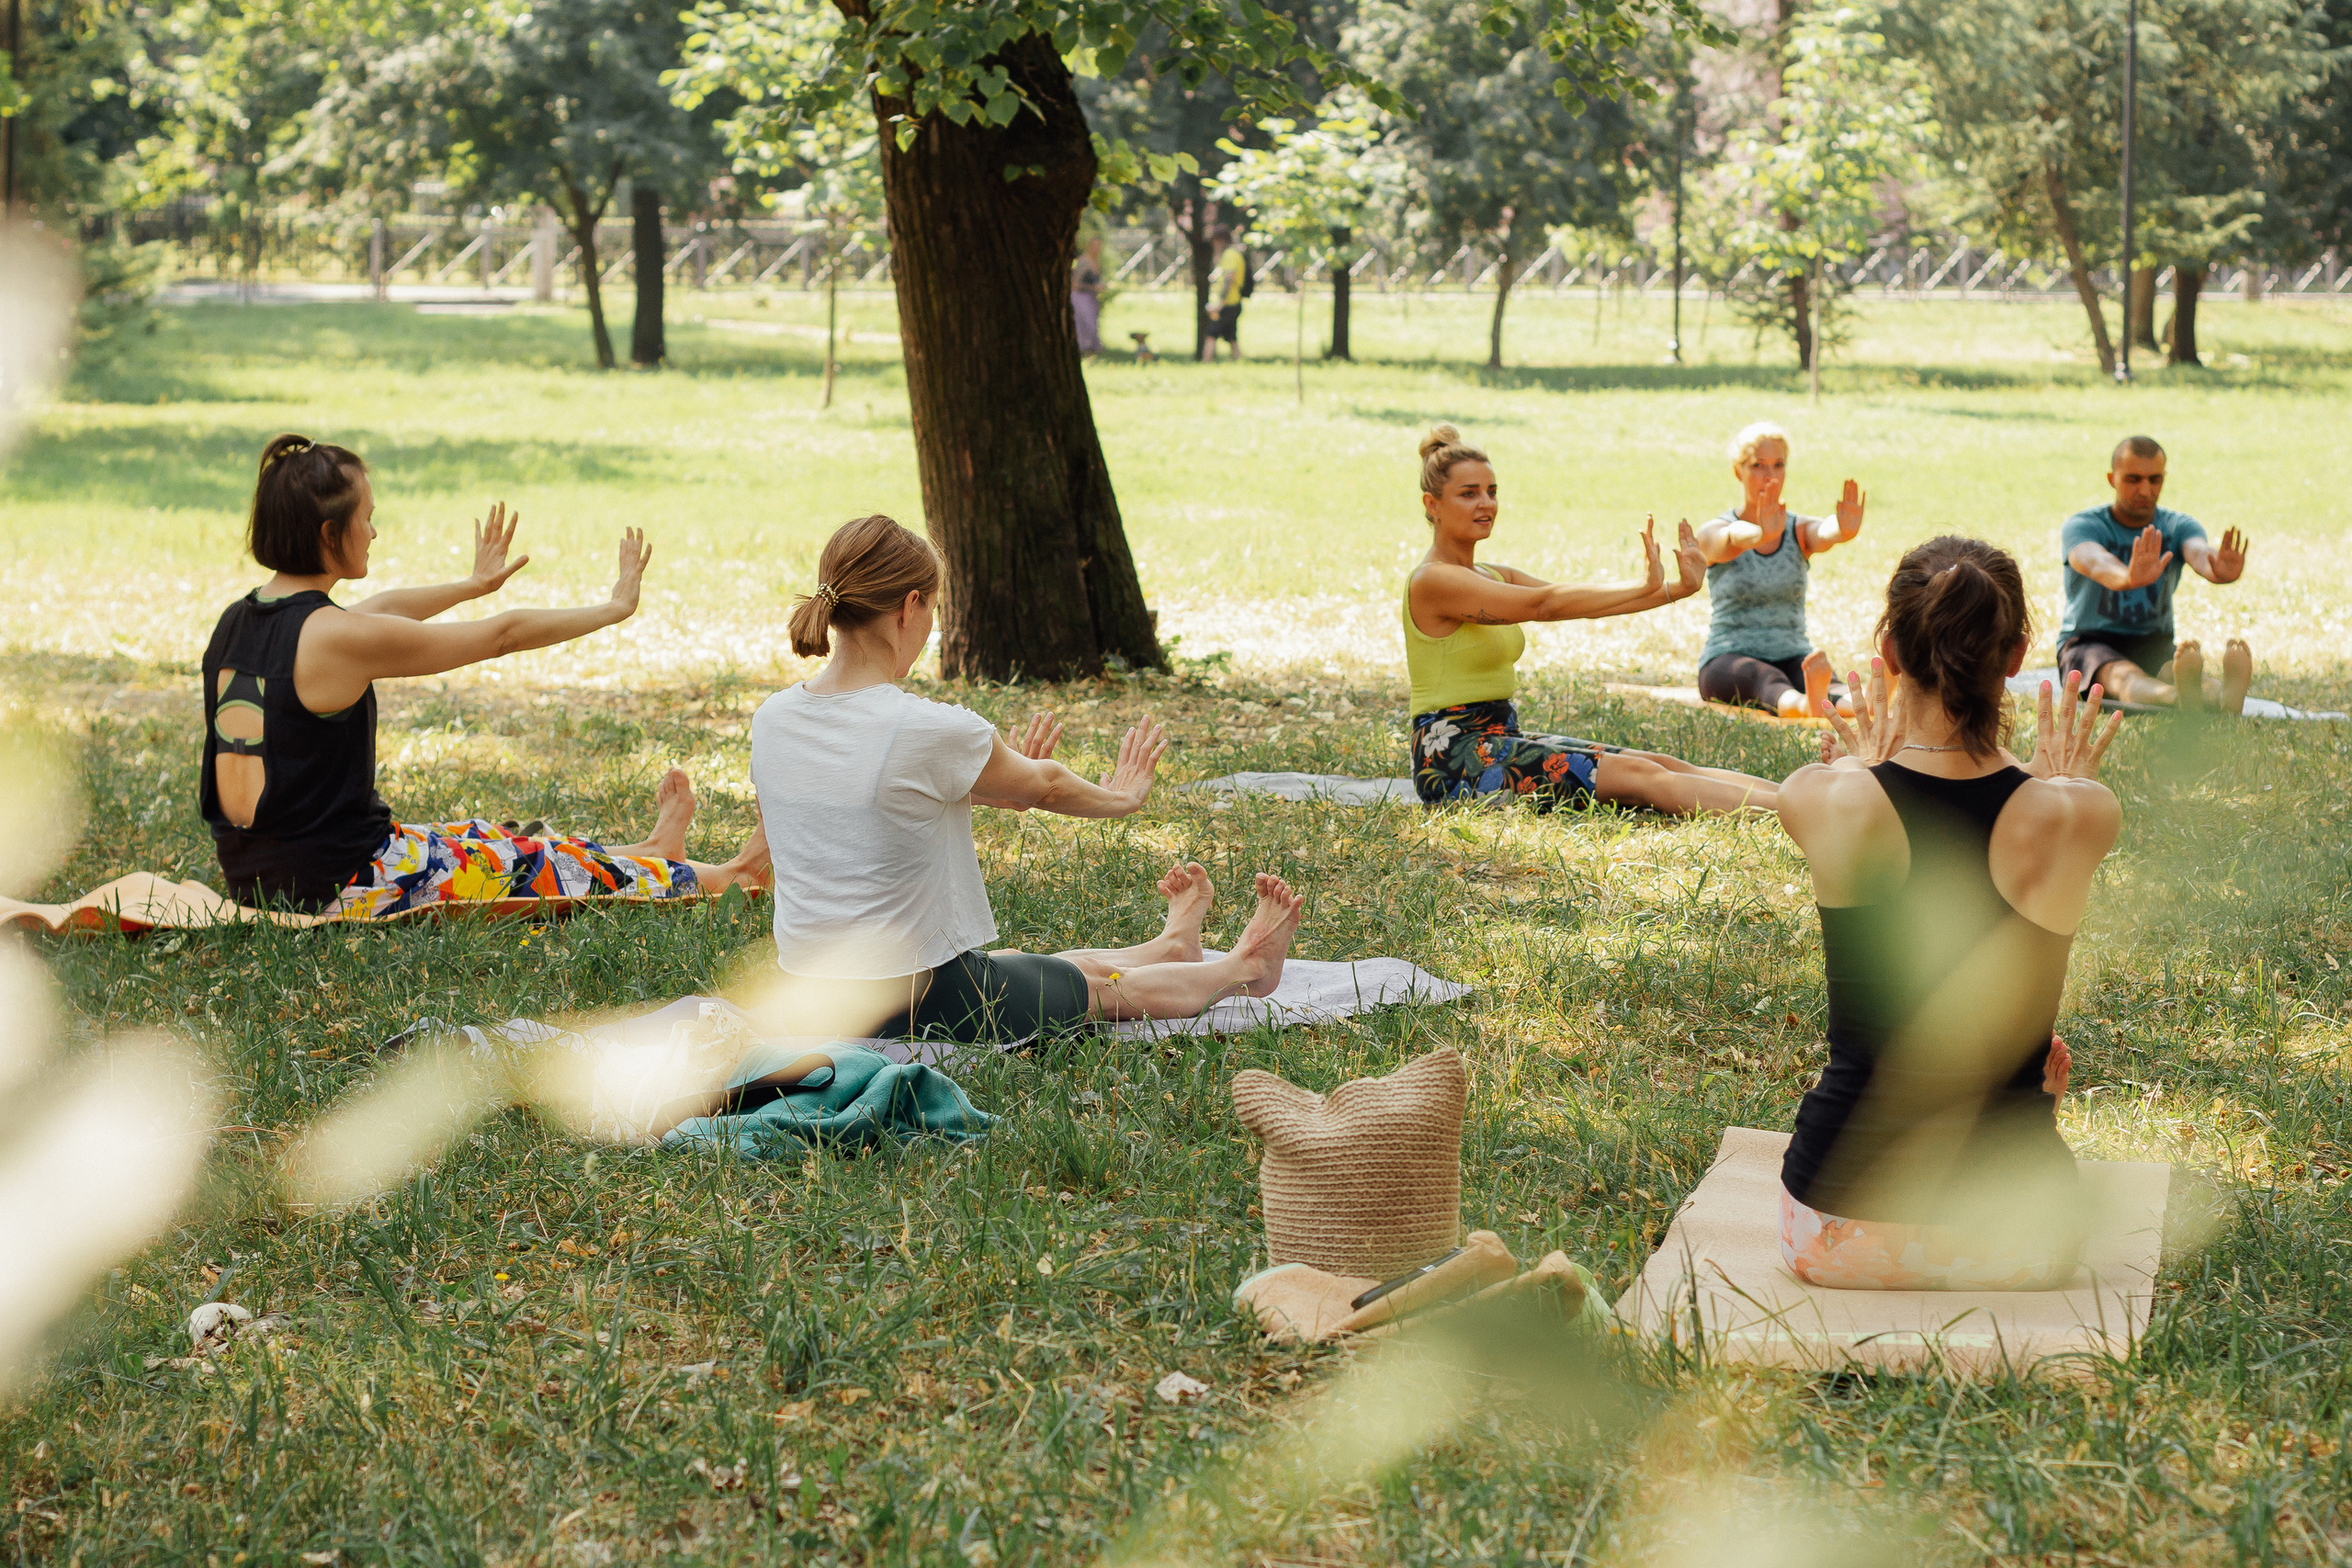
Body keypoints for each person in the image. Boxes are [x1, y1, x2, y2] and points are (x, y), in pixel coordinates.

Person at [750, 513, 1307, 1045]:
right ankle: (1246, 967)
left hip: (812, 994)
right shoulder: (923, 726)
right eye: (934, 609)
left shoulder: (773, 717)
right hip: (917, 998)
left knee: (1030, 971)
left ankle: (1170, 947)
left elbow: (867, 803)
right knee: (1100, 991)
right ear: (909, 605)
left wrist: (1000, 785)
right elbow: (1046, 785)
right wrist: (1122, 797)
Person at [201, 434, 767, 916]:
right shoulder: (338, 637)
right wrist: (613, 609)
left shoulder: (243, 619)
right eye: (367, 519)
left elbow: (382, 609)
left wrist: (472, 586)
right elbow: (504, 635)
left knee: (483, 839)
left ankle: (652, 850)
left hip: (268, 878)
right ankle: (728, 875)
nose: (373, 532)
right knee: (534, 868)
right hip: (342, 884)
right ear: (330, 534)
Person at [1774, 536, 2123, 1290]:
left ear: (1891, 651)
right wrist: (2053, 778)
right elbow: (2024, 796)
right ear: (2015, 655)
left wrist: (1868, 765)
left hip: (1832, 1230)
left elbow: (1862, 784)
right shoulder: (2081, 815)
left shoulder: (1824, 795)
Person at [1406, 425, 1781, 816]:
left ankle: (1807, 796)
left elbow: (1581, 603)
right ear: (1431, 504)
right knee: (1641, 777)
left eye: (1492, 491)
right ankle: (1797, 814)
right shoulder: (1433, 580)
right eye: (1469, 494)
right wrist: (1644, 585)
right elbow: (1544, 605)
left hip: (1498, 738)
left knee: (1658, 763)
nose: (1486, 503)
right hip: (1455, 764)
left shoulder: (1491, 575)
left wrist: (1676, 588)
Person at [2057, 435, 2253, 714]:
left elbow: (2197, 551)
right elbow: (2095, 562)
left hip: (2152, 640)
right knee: (2125, 677)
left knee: (2183, 673)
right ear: (2112, 479)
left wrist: (2216, 570)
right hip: (2091, 642)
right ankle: (2181, 699)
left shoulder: (2178, 525)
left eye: (2155, 479)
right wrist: (2128, 577)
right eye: (2133, 479)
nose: (2146, 490)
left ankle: (2222, 695)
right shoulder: (2082, 526)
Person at [1693, 421, 1864, 717]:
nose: (1769, 477)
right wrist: (1761, 535)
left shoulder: (1796, 529)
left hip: (1792, 653)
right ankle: (1806, 706)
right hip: (1728, 658)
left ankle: (1865, 705)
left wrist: (1842, 530)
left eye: (1778, 465)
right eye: (1758, 466)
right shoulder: (1715, 530)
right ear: (1738, 471)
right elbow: (1729, 541)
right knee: (1766, 680)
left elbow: (1822, 531)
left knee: (1821, 680)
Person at [1200, 228, 1246, 362]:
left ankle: (1206, 362)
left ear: (1220, 241)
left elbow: (1229, 278)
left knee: (1210, 334)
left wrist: (1220, 303)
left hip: (1227, 303)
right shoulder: (1231, 254)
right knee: (1231, 336)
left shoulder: (1230, 255)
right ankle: (1238, 361)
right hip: (1231, 302)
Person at [1071, 236, 1104, 357]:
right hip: (1080, 297)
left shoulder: (1095, 261)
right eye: (1095, 246)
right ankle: (1082, 349)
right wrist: (1092, 288)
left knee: (1092, 323)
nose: (1097, 249)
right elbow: (1074, 284)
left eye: (1099, 247)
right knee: (1084, 324)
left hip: (1090, 297)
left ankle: (1090, 349)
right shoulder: (1083, 261)